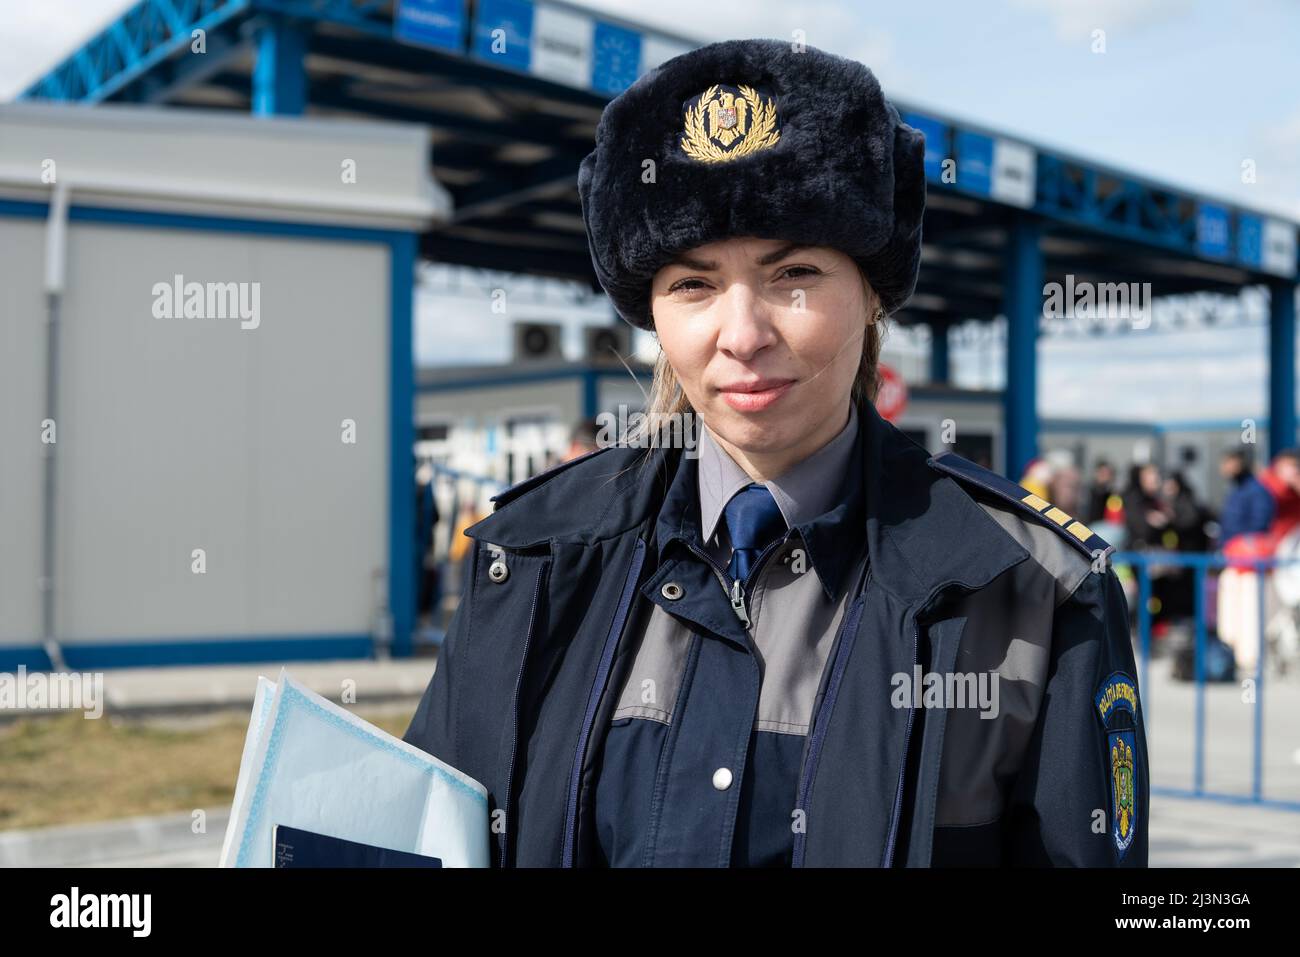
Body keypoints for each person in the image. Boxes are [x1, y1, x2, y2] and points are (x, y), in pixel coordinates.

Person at [403, 38, 1148, 867]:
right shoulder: (533, 562)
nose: (743, 334)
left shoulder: (1031, 591)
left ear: (871, 294)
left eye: (792, 274)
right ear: (650, 312)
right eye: (693, 284)